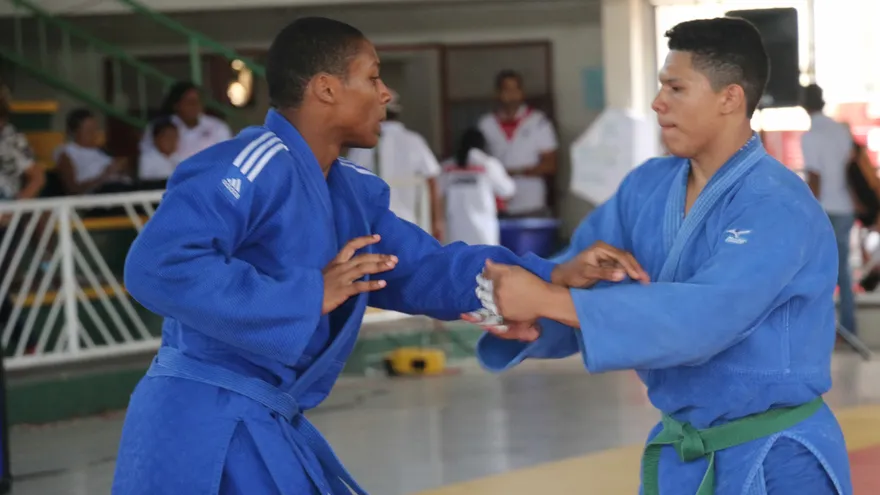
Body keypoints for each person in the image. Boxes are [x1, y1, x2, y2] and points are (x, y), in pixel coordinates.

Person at [112, 16, 559, 495]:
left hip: (261, 421)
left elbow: (425, 269)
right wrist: (309, 294)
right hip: (200, 428)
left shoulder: (349, 192)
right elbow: (157, 265)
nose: (385, 93)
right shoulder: (248, 164)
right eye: (372, 77)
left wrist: (551, 281)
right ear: (326, 89)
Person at [469, 17, 851, 495]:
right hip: (683, 458)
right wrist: (525, 313)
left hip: (777, 459)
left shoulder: (777, 203)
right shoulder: (645, 188)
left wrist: (547, 301)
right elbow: (582, 281)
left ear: (729, 98)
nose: (657, 103)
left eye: (675, 87)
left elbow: (703, 318)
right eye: (659, 87)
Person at [346, 90, 444, 240]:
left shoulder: (363, 144)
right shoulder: (415, 141)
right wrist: (437, 221)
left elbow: (349, 183)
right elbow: (432, 181)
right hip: (413, 227)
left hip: (374, 230)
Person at [801, 83, 859, 335]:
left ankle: (822, 332)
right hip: (845, 206)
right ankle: (849, 329)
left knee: (819, 273)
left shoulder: (811, 136)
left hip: (825, 210)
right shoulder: (840, 130)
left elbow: (815, 176)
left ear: (804, 105)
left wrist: (809, 212)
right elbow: (850, 168)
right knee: (843, 272)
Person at [477, 69, 557, 217]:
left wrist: (515, 172)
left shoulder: (538, 121)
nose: (512, 95)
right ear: (497, 93)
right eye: (507, 90)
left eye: (516, 89)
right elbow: (477, 163)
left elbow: (550, 165)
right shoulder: (486, 124)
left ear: (522, 92)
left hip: (531, 201)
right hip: (495, 203)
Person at [440, 127, 514, 245]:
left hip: (455, 228)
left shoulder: (448, 166)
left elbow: (437, 192)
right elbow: (507, 190)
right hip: (483, 229)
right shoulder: (488, 164)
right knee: (484, 261)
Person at [139, 81, 232, 162]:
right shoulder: (159, 127)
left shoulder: (218, 127)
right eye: (189, 101)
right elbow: (147, 154)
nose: (194, 105)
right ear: (176, 105)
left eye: (197, 101)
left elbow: (227, 156)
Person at [55, 108, 131, 195]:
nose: (94, 134)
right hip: (98, 195)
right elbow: (73, 189)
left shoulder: (101, 151)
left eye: (95, 129)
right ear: (75, 132)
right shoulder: (67, 152)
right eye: (88, 131)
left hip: (122, 188)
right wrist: (103, 176)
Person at [137, 116, 179, 190]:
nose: (172, 141)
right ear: (156, 139)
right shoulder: (146, 159)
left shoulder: (179, 158)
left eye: (174, 137)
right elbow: (145, 184)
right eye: (168, 137)